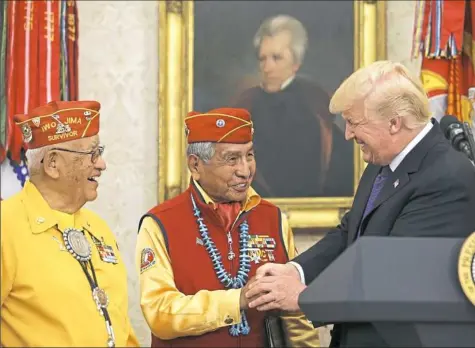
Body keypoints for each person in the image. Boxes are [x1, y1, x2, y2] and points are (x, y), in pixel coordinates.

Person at [244, 60, 475, 347]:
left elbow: (393, 274)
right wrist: (295, 270)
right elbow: (350, 231)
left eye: (354, 123)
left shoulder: (447, 177)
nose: (347, 135)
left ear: (394, 123)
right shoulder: (384, 159)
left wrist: (303, 297)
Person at [136, 107, 320, 347]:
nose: (245, 171)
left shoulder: (272, 218)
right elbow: (159, 312)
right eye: (232, 159)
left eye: (249, 156)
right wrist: (236, 301)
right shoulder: (161, 223)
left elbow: (295, 316)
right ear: (195, 166)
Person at [1, 100, 139, 347]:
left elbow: (120, 326)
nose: (102, 164)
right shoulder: (6, 226)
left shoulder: (98, 228)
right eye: (92, 154)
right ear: (53, 163)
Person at [233, 15, 353, 198]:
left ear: (295, 63)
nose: (267, 67)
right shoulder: (245, 105)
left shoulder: (316, 106)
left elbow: (337, 169)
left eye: (276, 58)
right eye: (262, 58)